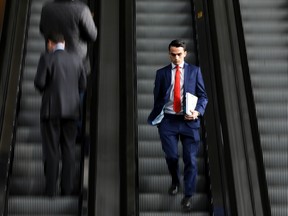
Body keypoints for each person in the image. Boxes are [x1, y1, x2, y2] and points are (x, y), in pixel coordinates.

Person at [147, 40, 208, 211]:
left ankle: (188, 195)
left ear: (185, 53)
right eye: (172, 54)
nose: (176, 57)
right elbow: (157, 97)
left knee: (190, 159)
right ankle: (175, 180)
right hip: (168, 121)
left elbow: (204, 96)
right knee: (172, 156)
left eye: (179, 54)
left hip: (189, 122)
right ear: (169, 54)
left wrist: (197, 112)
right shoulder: (161, 74)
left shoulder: (194, 72)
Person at [34, 32, 87, 196]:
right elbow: (83, 85)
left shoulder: (47, 58)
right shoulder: (77, 60)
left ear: (50, 43)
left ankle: (51, 190)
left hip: (51, 111)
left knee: (51, 150)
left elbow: (40, 83)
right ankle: (67, 189)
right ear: (63, 43)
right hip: (72, 112)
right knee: (69, 149)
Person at [39, 0, 97, 72]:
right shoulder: (82, 10)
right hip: (77, 62)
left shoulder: (46, 9)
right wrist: (89, 20)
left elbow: (42, 30)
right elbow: (93, 36)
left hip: (53, 61)